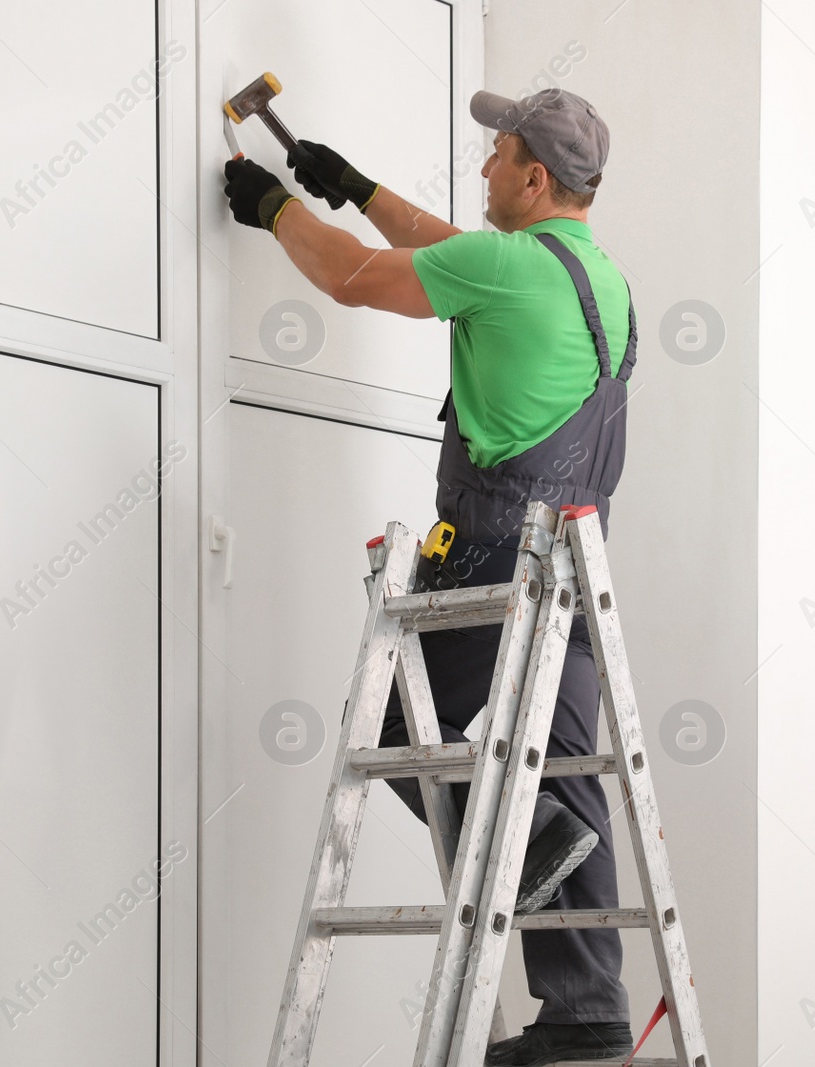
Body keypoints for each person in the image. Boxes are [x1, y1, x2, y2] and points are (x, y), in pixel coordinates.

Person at [223, 86, 638, 1067]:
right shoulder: (595, 277)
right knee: (566, 773)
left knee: (400, 734)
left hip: (497, 549)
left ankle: (531, 850)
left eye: (497, 155)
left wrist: (275, 207)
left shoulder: (503, 265)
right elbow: (455, 249)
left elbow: (361, 278)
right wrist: (356, 186)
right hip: (578, 561)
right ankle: (587, 1009)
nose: (485, 167)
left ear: (535, 176)